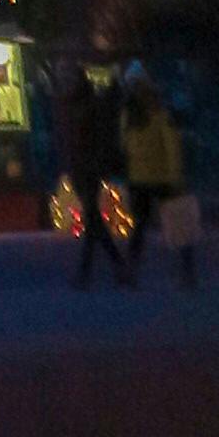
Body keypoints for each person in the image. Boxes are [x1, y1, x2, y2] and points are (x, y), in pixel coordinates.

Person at [61, 62, 132, 291]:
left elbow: (87, 140)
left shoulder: (86, 106)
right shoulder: (82, 104)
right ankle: (102, 269)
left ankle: (102, 269)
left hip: (87, 168)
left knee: (93, 219)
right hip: (84, 168)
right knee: (92, 221)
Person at [119, 70, 187, 277]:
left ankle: (133, 269)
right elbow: (171, 146)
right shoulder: (145, 113)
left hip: (150, 177)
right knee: (165, 224)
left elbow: (171, 147)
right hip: (150, 178)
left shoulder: (142, 115)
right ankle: (185, 269)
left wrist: (175, 176)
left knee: (153, 224)